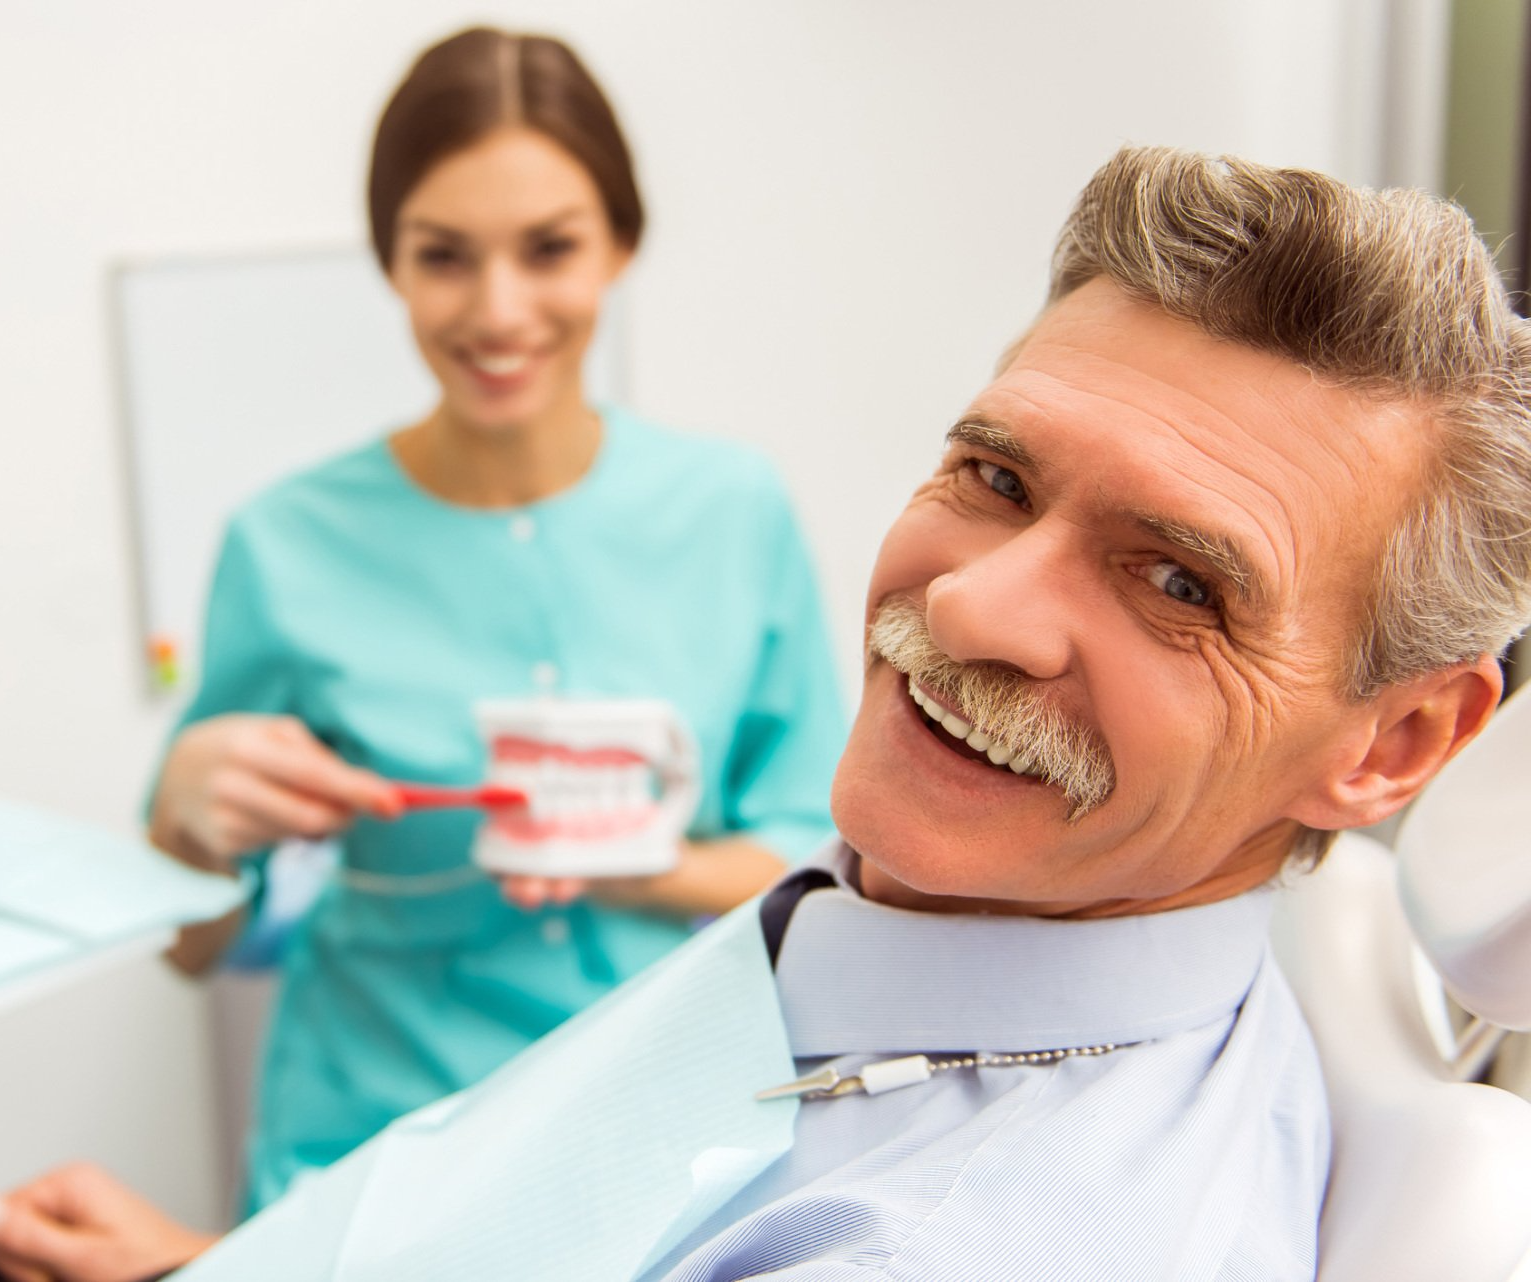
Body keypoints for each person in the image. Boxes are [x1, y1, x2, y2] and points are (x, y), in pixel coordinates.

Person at [5, 143, 1530, 1281]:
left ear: (1391, 743)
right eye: (992, 476)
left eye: (1177, 584)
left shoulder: (943, 1233)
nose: (966, 608)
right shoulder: (930, 910)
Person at [138, 26, 846, 1215]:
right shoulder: (283, 542)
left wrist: (640, 865)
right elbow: (194, 944)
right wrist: (184, 827)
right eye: (445, 256)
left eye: (550, 248)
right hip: (370, 1156)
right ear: (391, 263)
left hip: (671, 1141)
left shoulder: (732, 509)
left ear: (621, 243)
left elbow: (825, 865)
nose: (498, 308)